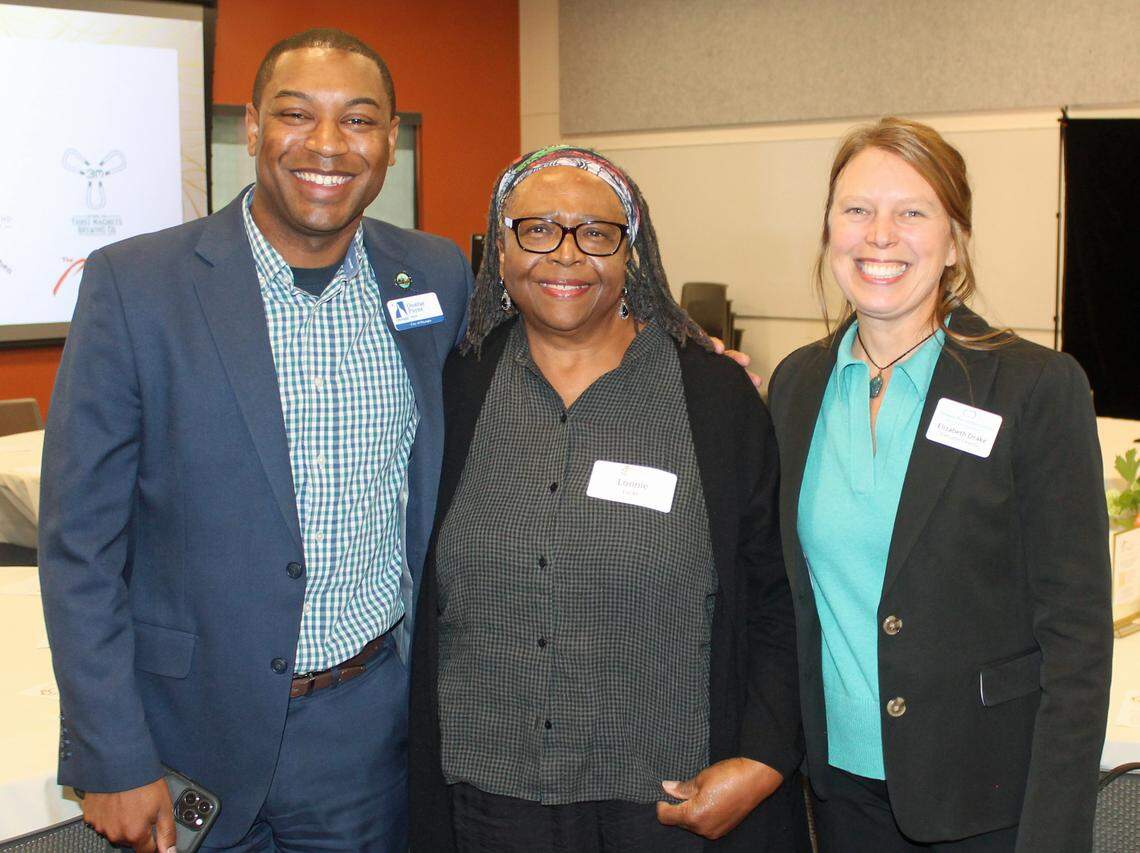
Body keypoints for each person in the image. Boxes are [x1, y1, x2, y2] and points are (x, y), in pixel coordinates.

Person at [39, 28, 471, 852]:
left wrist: (668, 348)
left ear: (386, 143)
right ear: (251, 127)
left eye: (358, 120)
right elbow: (79, 546)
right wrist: (110, 751)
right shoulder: (136, 285)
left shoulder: (435, 275)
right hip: (181, 735)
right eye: (296, 114)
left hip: (363, 735)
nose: (326, 145)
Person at [408, 145, 808, 852]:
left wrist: (766, 753)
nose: (566, 255)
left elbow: (776, 594)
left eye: (596, 233)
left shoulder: (713, 399)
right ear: (499, 250)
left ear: (634, 255)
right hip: (488, 798)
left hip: (665, 801)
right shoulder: (456, 387)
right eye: (537, 229)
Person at [766, 117, 1112, 851]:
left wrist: (1052, 834)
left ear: (954, 240)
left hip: (986, 798)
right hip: (838, 794)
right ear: (829, 230)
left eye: (912, 211)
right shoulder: (797, 386)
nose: (879, 235)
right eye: (856, 210)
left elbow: (1077, 642)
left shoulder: (1033, 388)